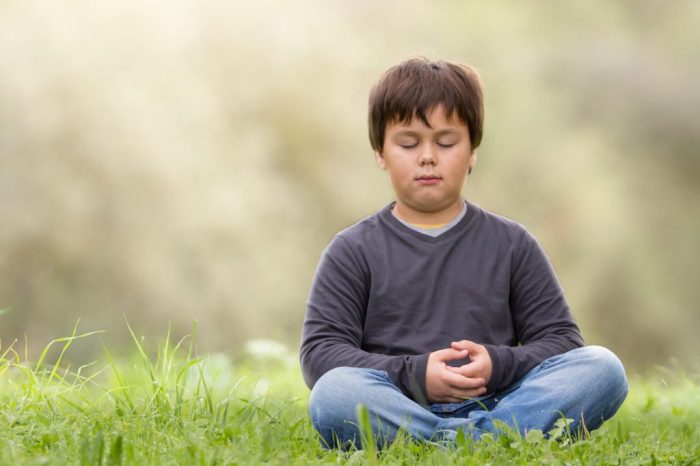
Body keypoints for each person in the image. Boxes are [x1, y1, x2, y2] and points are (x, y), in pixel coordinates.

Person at [299, 57, 628, 449]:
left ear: (472, 150)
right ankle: (486, 443)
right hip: (397, 403)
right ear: (380, 153)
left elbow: (560, 341)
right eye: (408, 143)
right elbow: (322, 353)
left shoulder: (512, 244)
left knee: (602, 368)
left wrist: (497, 363)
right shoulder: (352, 250)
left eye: (445, 142)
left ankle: (450, 441)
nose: (427, 157)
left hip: (501, 403)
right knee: (334, 393)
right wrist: (416, 374)